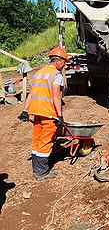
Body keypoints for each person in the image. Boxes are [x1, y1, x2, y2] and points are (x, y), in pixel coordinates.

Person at [18, 47, 69, 181]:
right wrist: (60, 115)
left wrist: (25, 110)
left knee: (37, 139)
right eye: (64, 62)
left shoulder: (39, 73)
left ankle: (37, 168)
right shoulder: (56, 75)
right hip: (48, 113)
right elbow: (56, 97)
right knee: (46, 141)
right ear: (59, 61)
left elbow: (32, 93)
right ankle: (42, 172)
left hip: (36, 112)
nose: (64, 66)